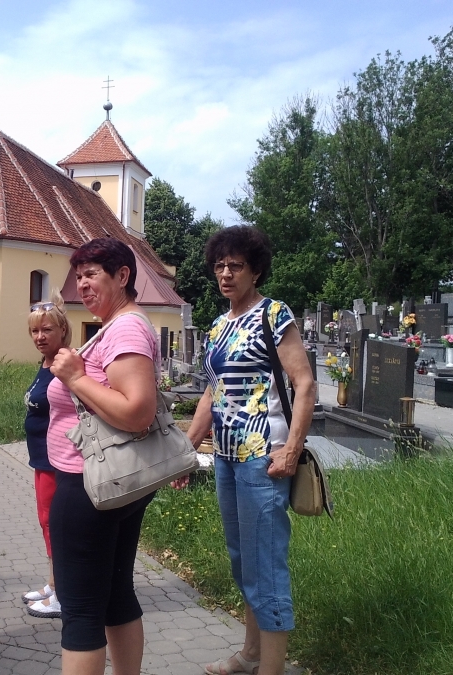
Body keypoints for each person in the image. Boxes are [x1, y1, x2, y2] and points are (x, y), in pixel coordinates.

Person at [183, 226, 315, 675]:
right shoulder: (219, 326)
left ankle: (271, 668)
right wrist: (187, 449)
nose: (225, 273)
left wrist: (291, 450)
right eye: (219, 266)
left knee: (265, 566)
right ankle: (252, 653)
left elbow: (304, 383)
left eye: (235, 266)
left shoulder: (273, 314)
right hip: (225, 457)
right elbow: (212, 392)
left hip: (264, 458)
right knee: (243, 561)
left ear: (255, 270)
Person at [46, 238, 160, 675]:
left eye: (91, 274)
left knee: (79, 611)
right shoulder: (118, 326)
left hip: (89, 485)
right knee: (114, 595)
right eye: (78, 277)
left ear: (123, 276)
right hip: (110, 481)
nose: (82, 285)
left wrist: (75, 378)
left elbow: (138, 411)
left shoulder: (125, 329)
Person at [22, 290, 71, 619]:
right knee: (47, 523)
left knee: (58, 526)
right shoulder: (45, 363)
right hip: (41, 459)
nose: (40, 337)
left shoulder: (65, 362)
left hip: (58, 461)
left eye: (47, 330)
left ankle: (65, 594)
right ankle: (55, 584)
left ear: (62, 330)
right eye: (34, 330)